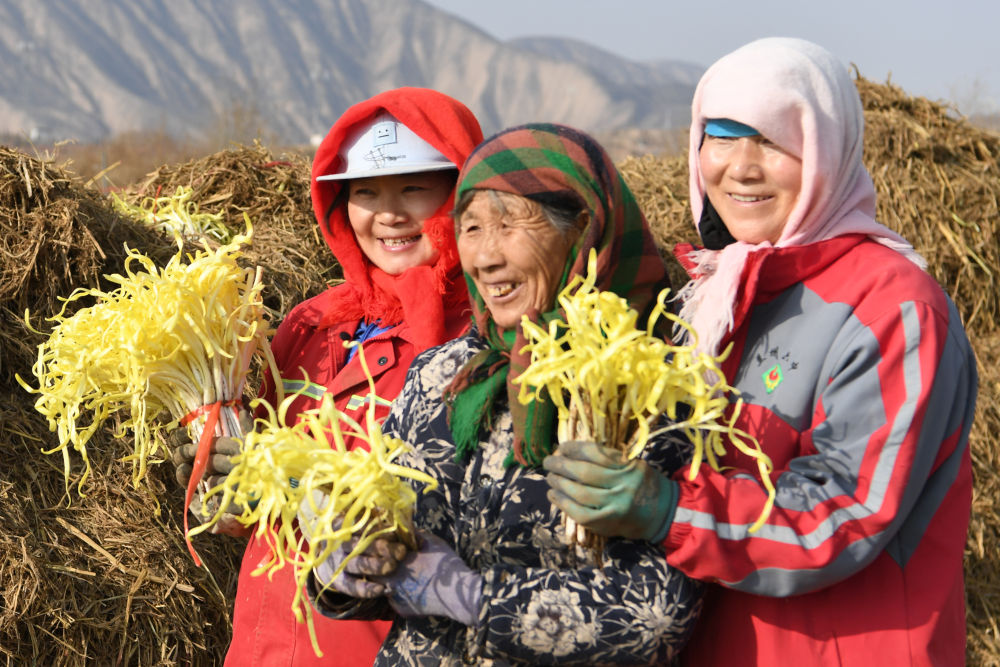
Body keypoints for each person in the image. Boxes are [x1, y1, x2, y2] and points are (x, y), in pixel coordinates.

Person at [542, 37, 979, 666]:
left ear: (827, 152)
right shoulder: (707, 299)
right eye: (720, 137)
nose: (740, 167)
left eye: (773, 142)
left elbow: (846, 514)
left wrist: (670, 508)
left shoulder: (893, 308)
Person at [302, 123, 704, 665]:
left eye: (510, 226)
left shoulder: (653, 383)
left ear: (584, 229)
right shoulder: (443, 376)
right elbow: (393, 551)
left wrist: (473, 598)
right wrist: (348, 566)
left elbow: (658, 613)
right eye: (470, 228)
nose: (485, 258)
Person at [172, 87, 484, 666]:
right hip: (266, 647)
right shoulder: (312, 323)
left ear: (462, 196)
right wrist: (222, 487)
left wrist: (299, 489)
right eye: (366, 192)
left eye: (413, 188)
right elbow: (250, 509)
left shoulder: (480, 345)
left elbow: (466, 521)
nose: (388, 213)